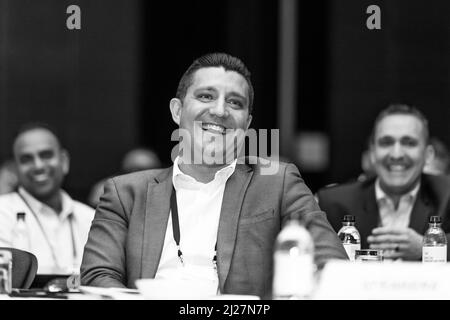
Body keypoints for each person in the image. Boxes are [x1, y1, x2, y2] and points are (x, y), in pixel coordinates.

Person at [81, 52, 347, 297]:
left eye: (235, 102)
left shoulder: (278, 182)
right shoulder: (126, 192)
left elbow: (333, 266)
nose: (220, 111)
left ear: (247, 124)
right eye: (206, 96)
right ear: (177, 110)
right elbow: (99, 275)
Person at [317, 104, 450, 261]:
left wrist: (428, 248)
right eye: (386, 142)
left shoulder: (446, 195)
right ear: (372, 153)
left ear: (428, 155)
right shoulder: (334, 203)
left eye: (409, 143)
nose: (396, 154)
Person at [0, 123, 95, 275]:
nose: (38, 166)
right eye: (26, 159)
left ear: (64, 161)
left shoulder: (91, 218)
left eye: (46, 155)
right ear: (16, 168)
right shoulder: (3, 214)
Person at [87, 147, 162, 207]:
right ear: (126, 169)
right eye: (139, 169)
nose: (147, 174)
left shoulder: (163, 188)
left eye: (152, 169)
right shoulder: (105, 188)